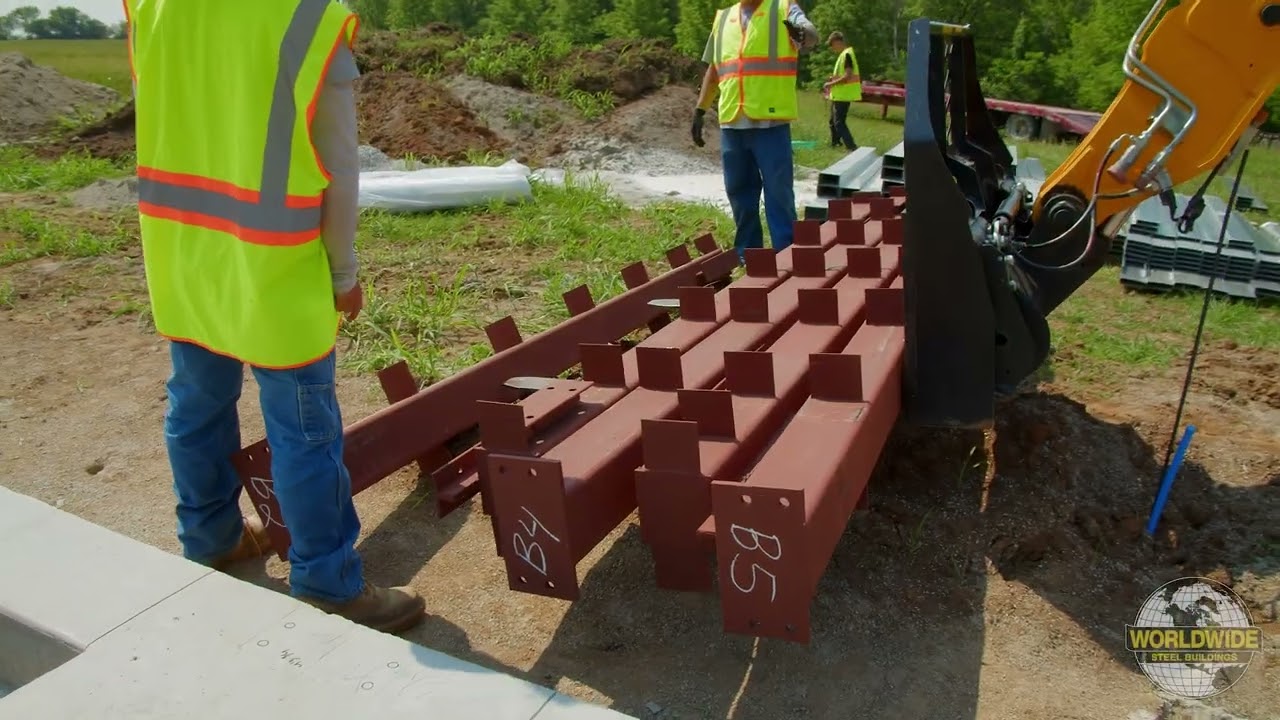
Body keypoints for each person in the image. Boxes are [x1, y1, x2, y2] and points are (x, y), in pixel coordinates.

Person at [124, 0, 425, 634]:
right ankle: (328, 583)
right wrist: (342, 273)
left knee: (197, 401)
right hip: (276, 260)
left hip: (185, 250)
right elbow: (337, 165)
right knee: (304, 428)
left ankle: (211, 538)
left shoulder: (153, 7)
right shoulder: (305, 15)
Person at [691, 0, 818, 262]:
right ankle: (749, 256)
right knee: (739, 191)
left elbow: (810, 34)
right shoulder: (723, 19)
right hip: (732, 122)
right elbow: (714, 69)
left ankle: (786, 255)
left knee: (778, 192)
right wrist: (700, 110)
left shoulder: (783, 8)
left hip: (770, 123)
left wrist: (802, 34)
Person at [824, 31, 861, 151]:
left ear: (838, 42)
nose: (832, 48)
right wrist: (833, 79)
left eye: (832, 45)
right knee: (832, 121)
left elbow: (847, 75)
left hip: (844, 94)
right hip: (838, 94)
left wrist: (830, 83)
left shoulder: (847, 55)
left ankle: (852, 147)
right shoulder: (843, 55)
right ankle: (835, 143)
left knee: (839, 122)